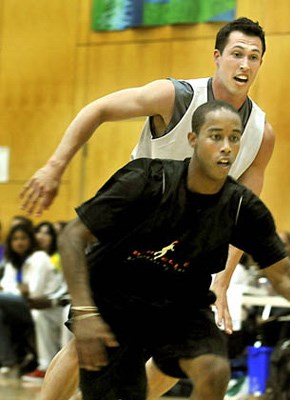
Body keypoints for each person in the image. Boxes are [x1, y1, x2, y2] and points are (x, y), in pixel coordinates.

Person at [21, 16, 274, 400]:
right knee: (86, 344)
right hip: (131, 232)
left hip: (185, 248)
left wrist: (223, 280)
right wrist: (55, 166)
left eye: (254, 57)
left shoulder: (260, 133)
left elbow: (242, 214)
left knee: (180, 357)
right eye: (237, 54)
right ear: (217, 57)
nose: (244, 64)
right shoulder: (176, 96)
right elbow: (98, 109)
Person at [59, 101, 290, 400]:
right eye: (216, 136)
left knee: (214, 370)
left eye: (234, 138)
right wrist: (85, 311)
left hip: (180, 307)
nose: (226, 147)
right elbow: (71, 238)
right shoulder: (147, 180)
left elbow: (287, 277)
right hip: (116, 304)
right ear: (193, 140)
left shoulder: (242, 208)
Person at [0, 223, 60, 377]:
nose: (19, 242)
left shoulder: (39, 257)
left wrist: (15, 290)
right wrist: (18, 289)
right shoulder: (12, 261)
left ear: (31, 240)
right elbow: (6, 286)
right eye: (15, 239)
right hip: (19, 305)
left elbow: (34, 292)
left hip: (44, 307)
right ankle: (9, 361)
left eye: (23, 238)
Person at [21, 222, 72, 383]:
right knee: (41, 314)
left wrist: (53, 301)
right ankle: (45, 367)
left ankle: (67, 369)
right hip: (62, 302)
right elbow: (63, 288)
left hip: (82, 305)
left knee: (71, 311)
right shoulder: (63, 255)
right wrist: (52, 301)